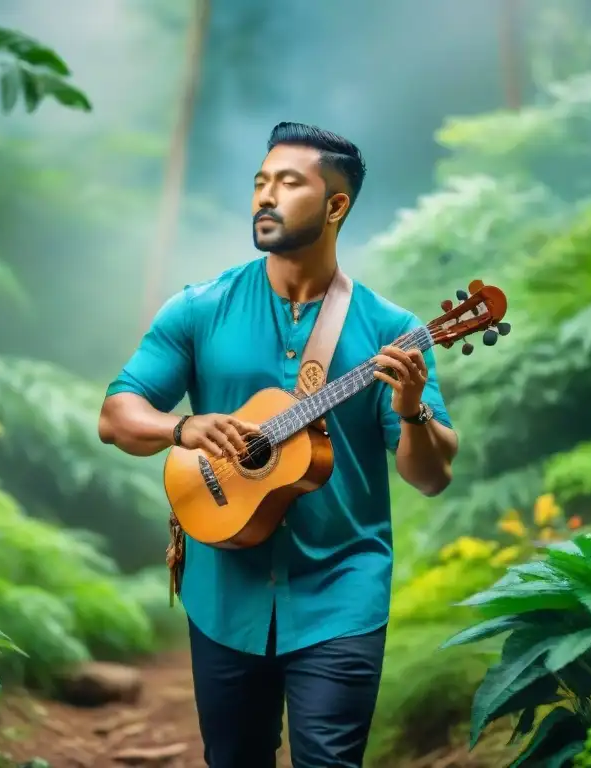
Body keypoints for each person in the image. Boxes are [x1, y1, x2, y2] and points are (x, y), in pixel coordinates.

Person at [98, 122, 459, 768]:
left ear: (335, 205)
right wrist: (183, 428)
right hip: (223, 587)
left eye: (288, 183)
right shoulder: (200, 309)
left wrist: (410, 413)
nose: (265, 195)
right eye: (260, 182)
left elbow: (430, 475)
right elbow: (117, 415)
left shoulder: (392, 332)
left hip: (341, 591)